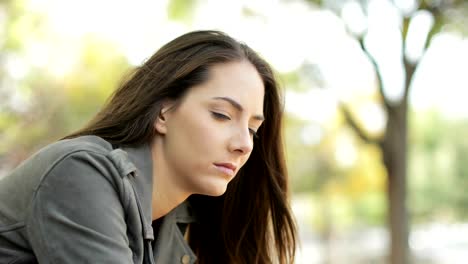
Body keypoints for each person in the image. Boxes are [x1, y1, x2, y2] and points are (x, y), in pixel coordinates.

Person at [0, 30, 297, 264]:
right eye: (221, 115)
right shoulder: (79, 172)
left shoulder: (176, 219)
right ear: (162, 112)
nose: (244, 144)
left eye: (252, 130)